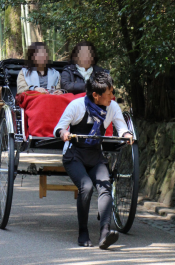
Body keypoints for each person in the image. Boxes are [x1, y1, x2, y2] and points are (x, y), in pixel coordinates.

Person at [54, 71, 133, 249]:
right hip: (74, 154)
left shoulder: (112, 107)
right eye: (108, 94)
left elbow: (121, 128)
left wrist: (127, 134)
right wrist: (64, 133)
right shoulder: (77, 106)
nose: (112, 97)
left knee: (105, 185)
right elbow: (59, 127)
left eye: (112, 92)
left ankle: (105, 233)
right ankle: (83, 232)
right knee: (87, 187)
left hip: (96, 155)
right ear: (95, 95)